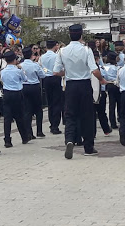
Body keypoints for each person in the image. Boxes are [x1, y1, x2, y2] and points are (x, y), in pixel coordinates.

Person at [53, 24, 107, 159]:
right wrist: (101, 80)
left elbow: (55, 72)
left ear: (69, 35)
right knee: (87, 116)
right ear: (81, 35)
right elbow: (94, 70)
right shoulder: (86, 50)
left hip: (70, 85)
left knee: (70, 115)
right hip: (84, 85)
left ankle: (69, 139)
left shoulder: (62, 51)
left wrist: (66, 73)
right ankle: (88, 147)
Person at [0, 50, 29, 148]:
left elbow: (2, 80)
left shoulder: (2, 71)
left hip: (7, 93)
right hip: (17, 93)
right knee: (19, 116)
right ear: (14, 60)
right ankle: (24, 137)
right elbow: (25, 79)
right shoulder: (18, 70)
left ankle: (7, 140)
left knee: (7, 118)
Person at [21, 46, 45, 139]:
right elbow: (42, 75)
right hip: (34, 86)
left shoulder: (21, 65)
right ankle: (39, 130)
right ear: (31, 55)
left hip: (24, 87)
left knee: (27, 110)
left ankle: (29, 132)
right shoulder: (35, 65)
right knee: (38, 109)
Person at [41, 40, 63, 135]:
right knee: (57, 102)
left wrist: (47, 71)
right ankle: (55, 125)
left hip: (46, 79)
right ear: (55, 46)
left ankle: (51, 123)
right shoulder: (56, 56)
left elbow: (41, 67)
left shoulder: (42, 57)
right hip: (56, 78)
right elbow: (60, 68)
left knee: (50, 102)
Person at [92, 51, 111, 137]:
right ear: (97, 59)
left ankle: (92, 132)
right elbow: (106, 78)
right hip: (101, 92)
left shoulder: (89, 69)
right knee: (102, 112)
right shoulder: (101, 69)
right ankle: (106, 129)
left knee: (91, 113)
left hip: (91, 92)